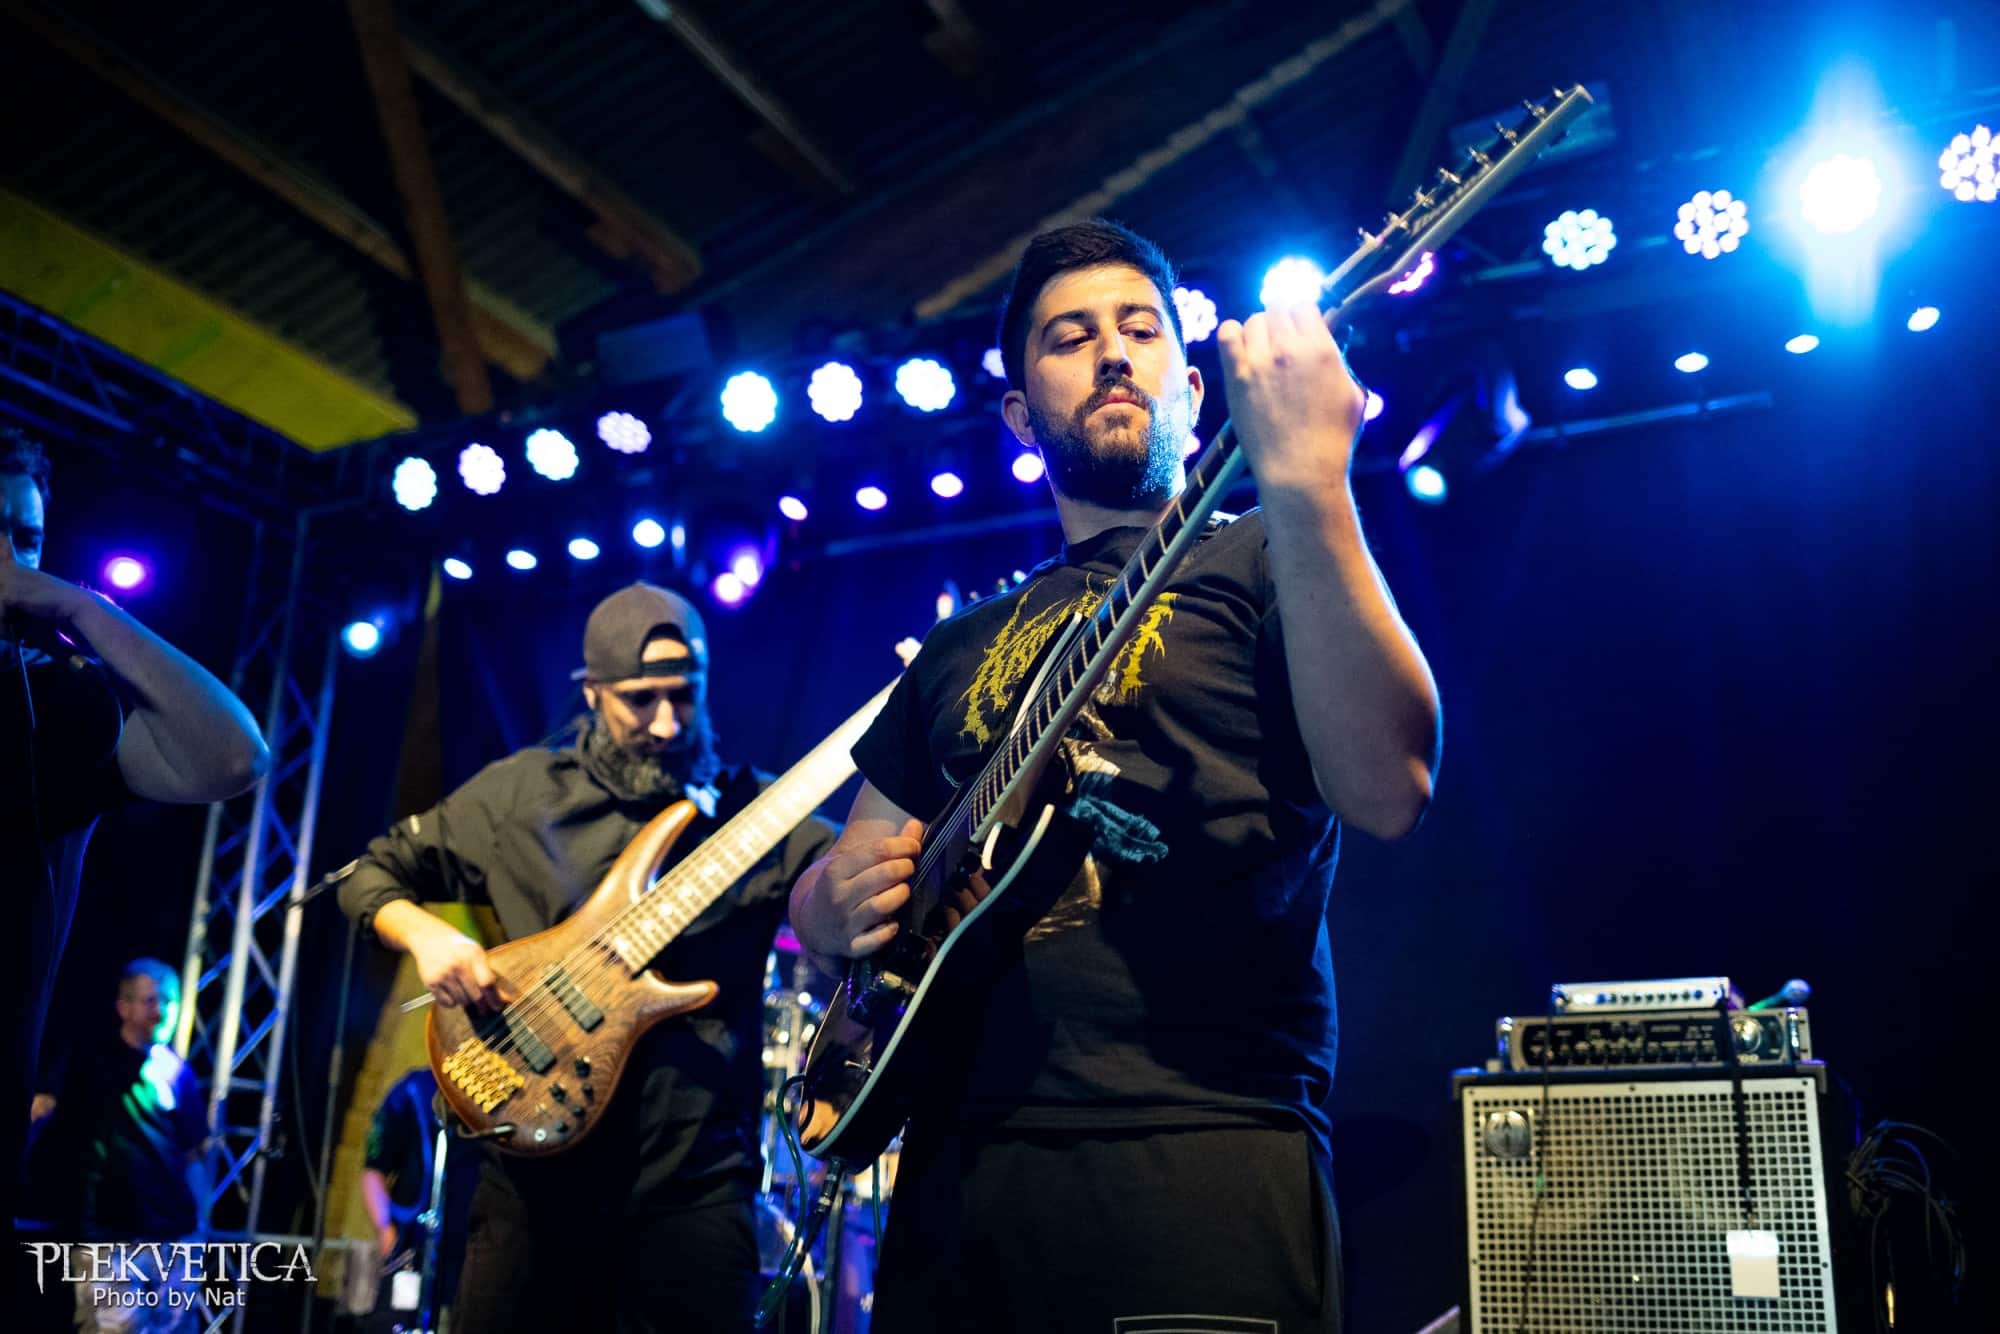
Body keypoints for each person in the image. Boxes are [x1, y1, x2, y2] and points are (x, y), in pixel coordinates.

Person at [788, 219, 1441, 1333]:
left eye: (1140, 329)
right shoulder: (958, 643)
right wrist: (829, 904)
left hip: (1200, 1144)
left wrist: (1311, 486)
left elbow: (1389, 786)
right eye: (1070, 336)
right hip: (956, 1170)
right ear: (1019, 413)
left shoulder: (1266, 551)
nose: (1111, 353)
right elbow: (836, 878)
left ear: (1193, 385)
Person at [337, 582, 838, 1333]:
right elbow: (368, 875)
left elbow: (861, 881)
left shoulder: (756, 818)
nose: (666, 721)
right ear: (594, 691)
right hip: (530, 1184)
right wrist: (425, 934)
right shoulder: (520, 796)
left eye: (684, 695)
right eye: (640, 700)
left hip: (694, 1186)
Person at [2, 428, 269, 1266]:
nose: (10, 562)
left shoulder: (56, 710)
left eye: (26, 538)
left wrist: (81, 609)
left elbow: (234, 756)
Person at [29, 958, 208, 1332]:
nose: (162, 1011)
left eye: (169, 1001)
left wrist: (199, 1226)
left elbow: (192, 1153)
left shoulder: (178, 1072)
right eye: (151, 1001)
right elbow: (41, 1110)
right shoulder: (89, 1059)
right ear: (124, 1007)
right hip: (108, 1234)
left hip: (172, 1236)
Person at [356, 1067, 477, 1332]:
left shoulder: (500, 1098)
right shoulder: (413, 1090)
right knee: (400, 1322)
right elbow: (373, 1170)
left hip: (475, 1253)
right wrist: (386, 1231)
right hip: (413, 1249)